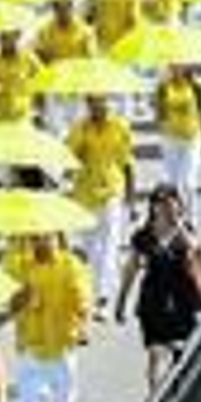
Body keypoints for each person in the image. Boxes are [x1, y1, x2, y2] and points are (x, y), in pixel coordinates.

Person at [115, 184, 201, 392]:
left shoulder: (185, 231)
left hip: (183, 299)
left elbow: (196, 251)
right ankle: (155, 396)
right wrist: (121, 301)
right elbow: (130, 269)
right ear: (153, 207)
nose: (166, 209)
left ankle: (181, 389)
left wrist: (179, 227)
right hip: (153, 299)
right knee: (155, 352)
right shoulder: (143, 236)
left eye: (171, 204)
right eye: (161, 204)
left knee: (185, 349)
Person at [6, 233, 92, 402]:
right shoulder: (21, 266)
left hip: (61, 348)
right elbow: (10, 306)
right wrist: (22, 295)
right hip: (30, 347)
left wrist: (82, 327)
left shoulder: (71, 265)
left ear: (57, 237)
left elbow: (83, 303)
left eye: (45, 237)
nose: (39, 242)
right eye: (34, 238)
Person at [67, 95, 137, 310]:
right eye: (93, 102)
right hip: (85, 193)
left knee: (109, 244)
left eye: (102, 101)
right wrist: (79, 151)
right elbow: (69, 162)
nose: (98, 105)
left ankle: (103, 296)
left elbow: (127, 163)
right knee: (91, 248)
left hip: (111, 190)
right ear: (87, 104)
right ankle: (98, 287)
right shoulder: (79, 128)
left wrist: (131, 198)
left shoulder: (119, 127)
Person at [153, 64, 201, 217]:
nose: (176, 68)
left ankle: (192, 218)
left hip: (192, 139)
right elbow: (158, 117)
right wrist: (160, 99)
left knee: (188, 182)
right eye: (173, 66)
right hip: (170, 140)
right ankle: (177, 218)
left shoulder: (196, 87)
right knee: (173, 184)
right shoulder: (163, 87)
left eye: (180, 65)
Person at [32, 0, 96, 131]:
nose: (62, 12)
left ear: (71, 8)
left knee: (78, 127)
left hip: (77, 88)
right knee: (54, 129)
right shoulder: (45, 31)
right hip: (54, 88)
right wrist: (39, 93)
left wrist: (91, 91)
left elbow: (91, 63)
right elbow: (39, 58)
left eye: (65, 8)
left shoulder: (84, 31)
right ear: (54, 10)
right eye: (58, 9)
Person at [0, 27, 41, 123]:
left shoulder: (29, 58)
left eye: (11, 36)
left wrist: (38, 109)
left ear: (17, 36)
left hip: (22, 117)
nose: (7, 41)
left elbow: (44, 80)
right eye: (4, 37)